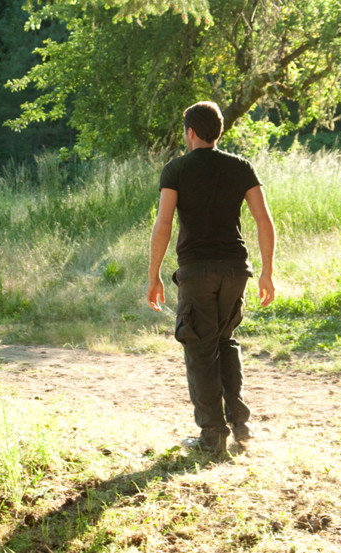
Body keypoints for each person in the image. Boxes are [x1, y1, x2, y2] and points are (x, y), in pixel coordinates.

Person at [147, 101, 276, 453]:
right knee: (224, 340)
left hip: (197, 270)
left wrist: (154, 275)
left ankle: (212, 437)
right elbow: (264, 221)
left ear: (190, 132)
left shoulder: (176, 169)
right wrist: (267, 273)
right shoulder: (241, 167)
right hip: (235, 270)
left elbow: (163, 224)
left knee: (200, 347)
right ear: (218, 131)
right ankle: (240, 425)